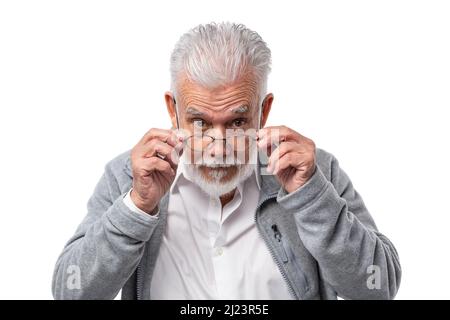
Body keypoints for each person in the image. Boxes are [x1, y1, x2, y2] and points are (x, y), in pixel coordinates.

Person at [52, 22, 401, 300]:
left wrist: (313, 199)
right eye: (200, 122)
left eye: (236, 122)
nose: (219, 148)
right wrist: (137, 208)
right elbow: (71, 291)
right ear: (173, 111)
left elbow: (377, 287)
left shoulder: (312, 173)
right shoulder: (129, 176)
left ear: (263, 111)